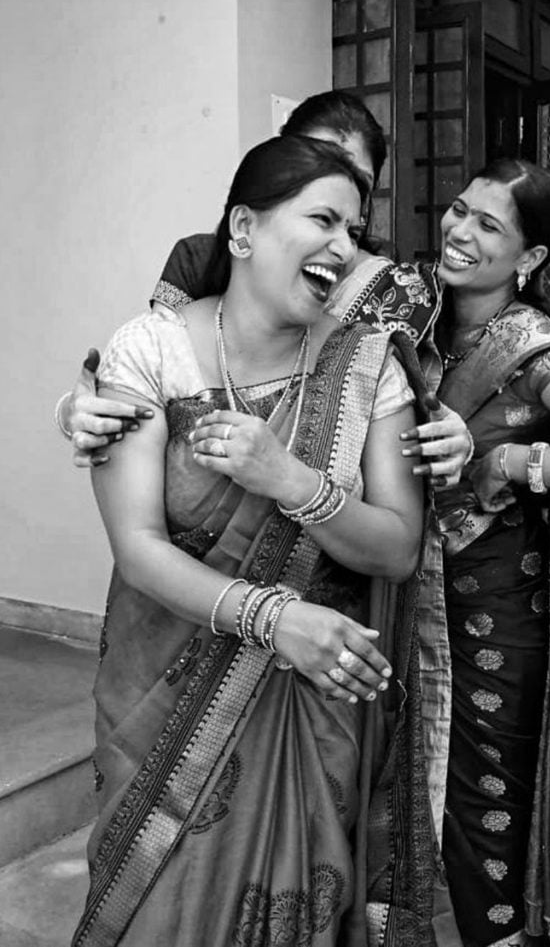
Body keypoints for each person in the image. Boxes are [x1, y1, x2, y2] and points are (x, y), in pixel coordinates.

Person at [71, 135, 436, 946]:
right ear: (243, 229)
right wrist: (277, 620)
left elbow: (397, 546)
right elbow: (138, 545)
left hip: (310, 703)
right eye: (323, 219)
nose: (345, 246)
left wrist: (288, 477)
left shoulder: (366, 366)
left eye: (356, 228)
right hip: (158, 686)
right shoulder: (151, 348)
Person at [353, 158, 550, 947]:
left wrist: (513, 463)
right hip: (400, 587)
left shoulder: (533, 351)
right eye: (460, 210)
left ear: (529, 259)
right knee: (390, 779)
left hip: (495, 615)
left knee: (481, 803)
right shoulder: (414, 313)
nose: (460, 231)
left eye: (489, 225)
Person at [56, 89, 470, 484]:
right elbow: (153, 379)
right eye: (312, 158)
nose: (333, 177)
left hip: (341, 531)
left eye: (355, 177)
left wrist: (455, 437)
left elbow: (415, 410)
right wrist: (81, 413)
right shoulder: (202, 259)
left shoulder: (398, 287)